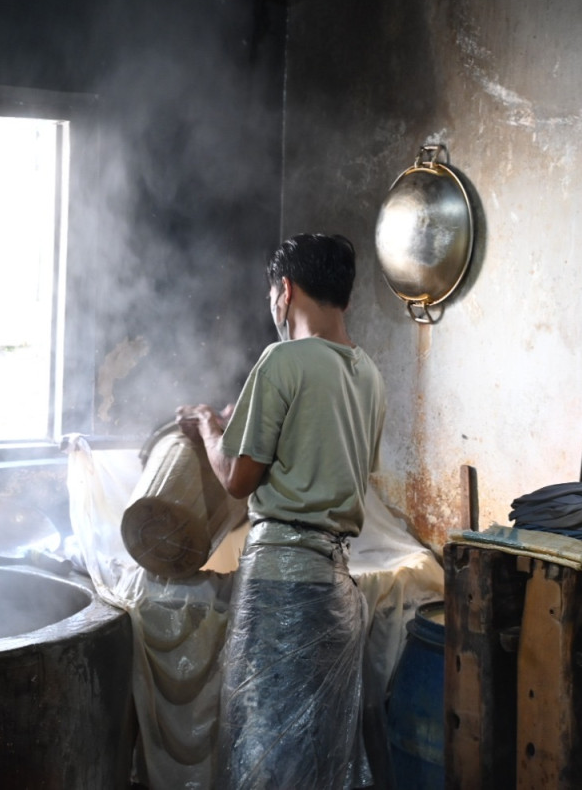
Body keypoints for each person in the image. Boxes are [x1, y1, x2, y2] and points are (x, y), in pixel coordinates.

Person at [176, 232, 386, 790]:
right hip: (337, 586)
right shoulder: (369, 375)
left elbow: (239, 480)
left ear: (285, 291)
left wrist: (206, 426)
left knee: (268, 744)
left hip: (279, 581)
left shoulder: (282, 359)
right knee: (321, 751)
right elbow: (323, 454)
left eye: (273, 292)